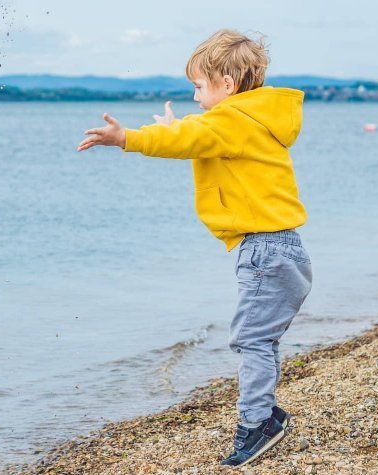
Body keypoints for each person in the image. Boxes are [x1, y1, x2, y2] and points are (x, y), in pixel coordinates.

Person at [77, 29, 312, 467]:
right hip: (283, 248)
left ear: (227, 84)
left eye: (199, 87)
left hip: (264, 250)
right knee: (261, 339)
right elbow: (198, 137)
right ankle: (266, 413)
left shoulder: (232, 121)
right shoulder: (254, 119)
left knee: (251, 340)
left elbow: (190, 139)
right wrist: (179, 128)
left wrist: (127, 137)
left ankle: (257, 423)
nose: (196, 95)